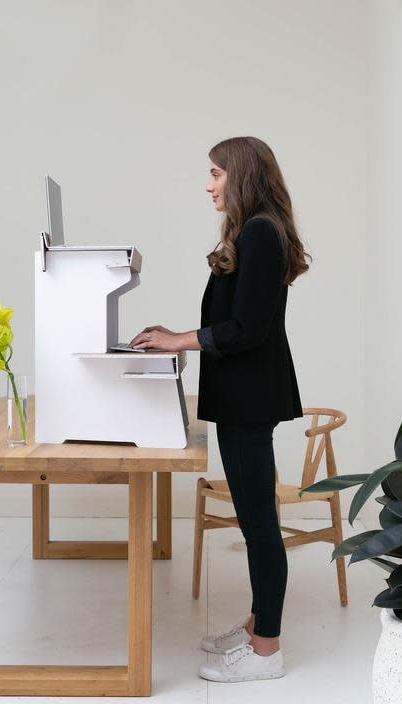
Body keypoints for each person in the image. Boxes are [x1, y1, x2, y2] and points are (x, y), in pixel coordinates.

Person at [128, 136, 311, 683]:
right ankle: (259, 625)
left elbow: (247, 329)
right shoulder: (255, 231)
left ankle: (266, 652)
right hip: (247, 396)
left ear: (241, 174)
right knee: (256, 521)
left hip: (250, 398)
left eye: (215, 173)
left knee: (259, 525)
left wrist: (177, 340)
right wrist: (176, 336)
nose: (208, 185)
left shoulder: (259, 232)